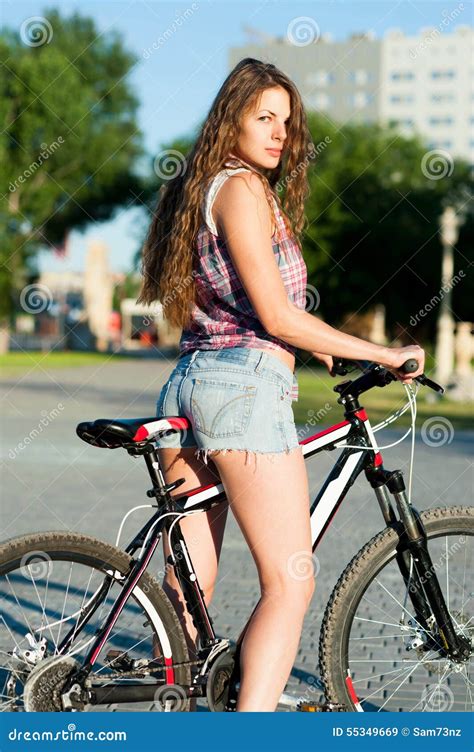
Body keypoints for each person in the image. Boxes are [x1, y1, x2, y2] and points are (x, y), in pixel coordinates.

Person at [138, 57, 425, 712]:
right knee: (289, 585)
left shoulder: (199, 188)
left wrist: (319, 350)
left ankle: (180, 712)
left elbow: (247, 308)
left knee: (187, 590)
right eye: (264, 117)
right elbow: (274, 316)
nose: (280, 134)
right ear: (229, 118)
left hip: (186, 389)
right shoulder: (241, 189)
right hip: (242, 393)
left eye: (287, 123)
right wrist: (382, 350)